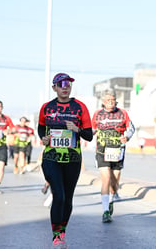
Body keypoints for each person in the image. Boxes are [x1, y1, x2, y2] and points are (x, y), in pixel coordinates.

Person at [38, 73, 93, 248]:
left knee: (67, 197)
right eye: (61, 83)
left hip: (72, 159)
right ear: (54, 87)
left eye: (68, 83)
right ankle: (56, 235)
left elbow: (89, 136)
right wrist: (44, 138)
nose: (65, 86)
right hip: (51, 157)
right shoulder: (46, 107)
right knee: (59, 195)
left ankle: (62, 231)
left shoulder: (80, 107)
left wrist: (77, 129)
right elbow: (41, 128)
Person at [92, 89, 135, 223]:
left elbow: (131, 128)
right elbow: (91, 130)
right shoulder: (97, 114)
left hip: (117, 151)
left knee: (114, 181)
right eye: (108, 101)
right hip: (102, 151)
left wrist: (126, 137)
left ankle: (111, 199)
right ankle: (105, 211)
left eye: (113, 100)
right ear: (103, 102)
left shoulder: (122, 113)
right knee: (105, 179)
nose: (111, 103)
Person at [0, 100, 15, 194]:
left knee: (1, 166)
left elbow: (13, 129)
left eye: (0, 106)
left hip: (2, 146)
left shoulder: (6, 118)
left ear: (2, 108)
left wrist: (8, 132)